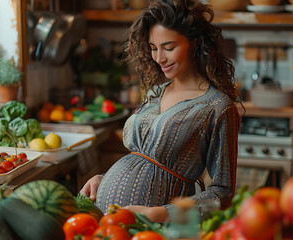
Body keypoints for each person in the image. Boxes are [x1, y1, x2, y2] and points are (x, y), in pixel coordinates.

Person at [80, 0, 241, 223]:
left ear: (194, 43)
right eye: (154, 48)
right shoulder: (155, 93)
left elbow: (222, 195)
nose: (159, 58)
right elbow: (142, 161)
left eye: (169, 47)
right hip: (107, 221)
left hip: (154, 229)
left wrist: (160, 213)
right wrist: (103, 178)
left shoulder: (218, 107)